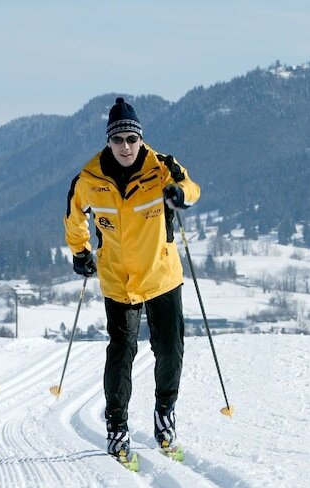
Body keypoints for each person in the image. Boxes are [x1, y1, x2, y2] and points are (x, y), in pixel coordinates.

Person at [63, 97, 200, 460]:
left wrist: (178, 194)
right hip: (117, 277)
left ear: (140, 139)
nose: (125, 146)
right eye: (118, 139)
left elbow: (191, 188)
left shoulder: (161, 168)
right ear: (108, 141)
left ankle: (165, 413)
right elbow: (74, 214)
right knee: (121, 353)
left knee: (170, 350)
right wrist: (79, 251)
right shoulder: (90, 178)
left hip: (161, 274)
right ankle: (117, 426)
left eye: (131, 139)